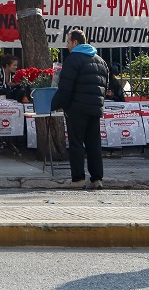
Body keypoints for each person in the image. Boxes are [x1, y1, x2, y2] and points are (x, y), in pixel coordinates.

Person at [50, 29, 109, 189]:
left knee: (76, 143)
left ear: (75, 42)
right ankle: (97, 179)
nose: (67, 46)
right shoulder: (99, 60)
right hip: (95, 109)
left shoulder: (72, 59)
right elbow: (104, 86)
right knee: (94, 144)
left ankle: (78, 179)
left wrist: (54, 104)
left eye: (68, 42)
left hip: (76, 108)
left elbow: (65, 87)